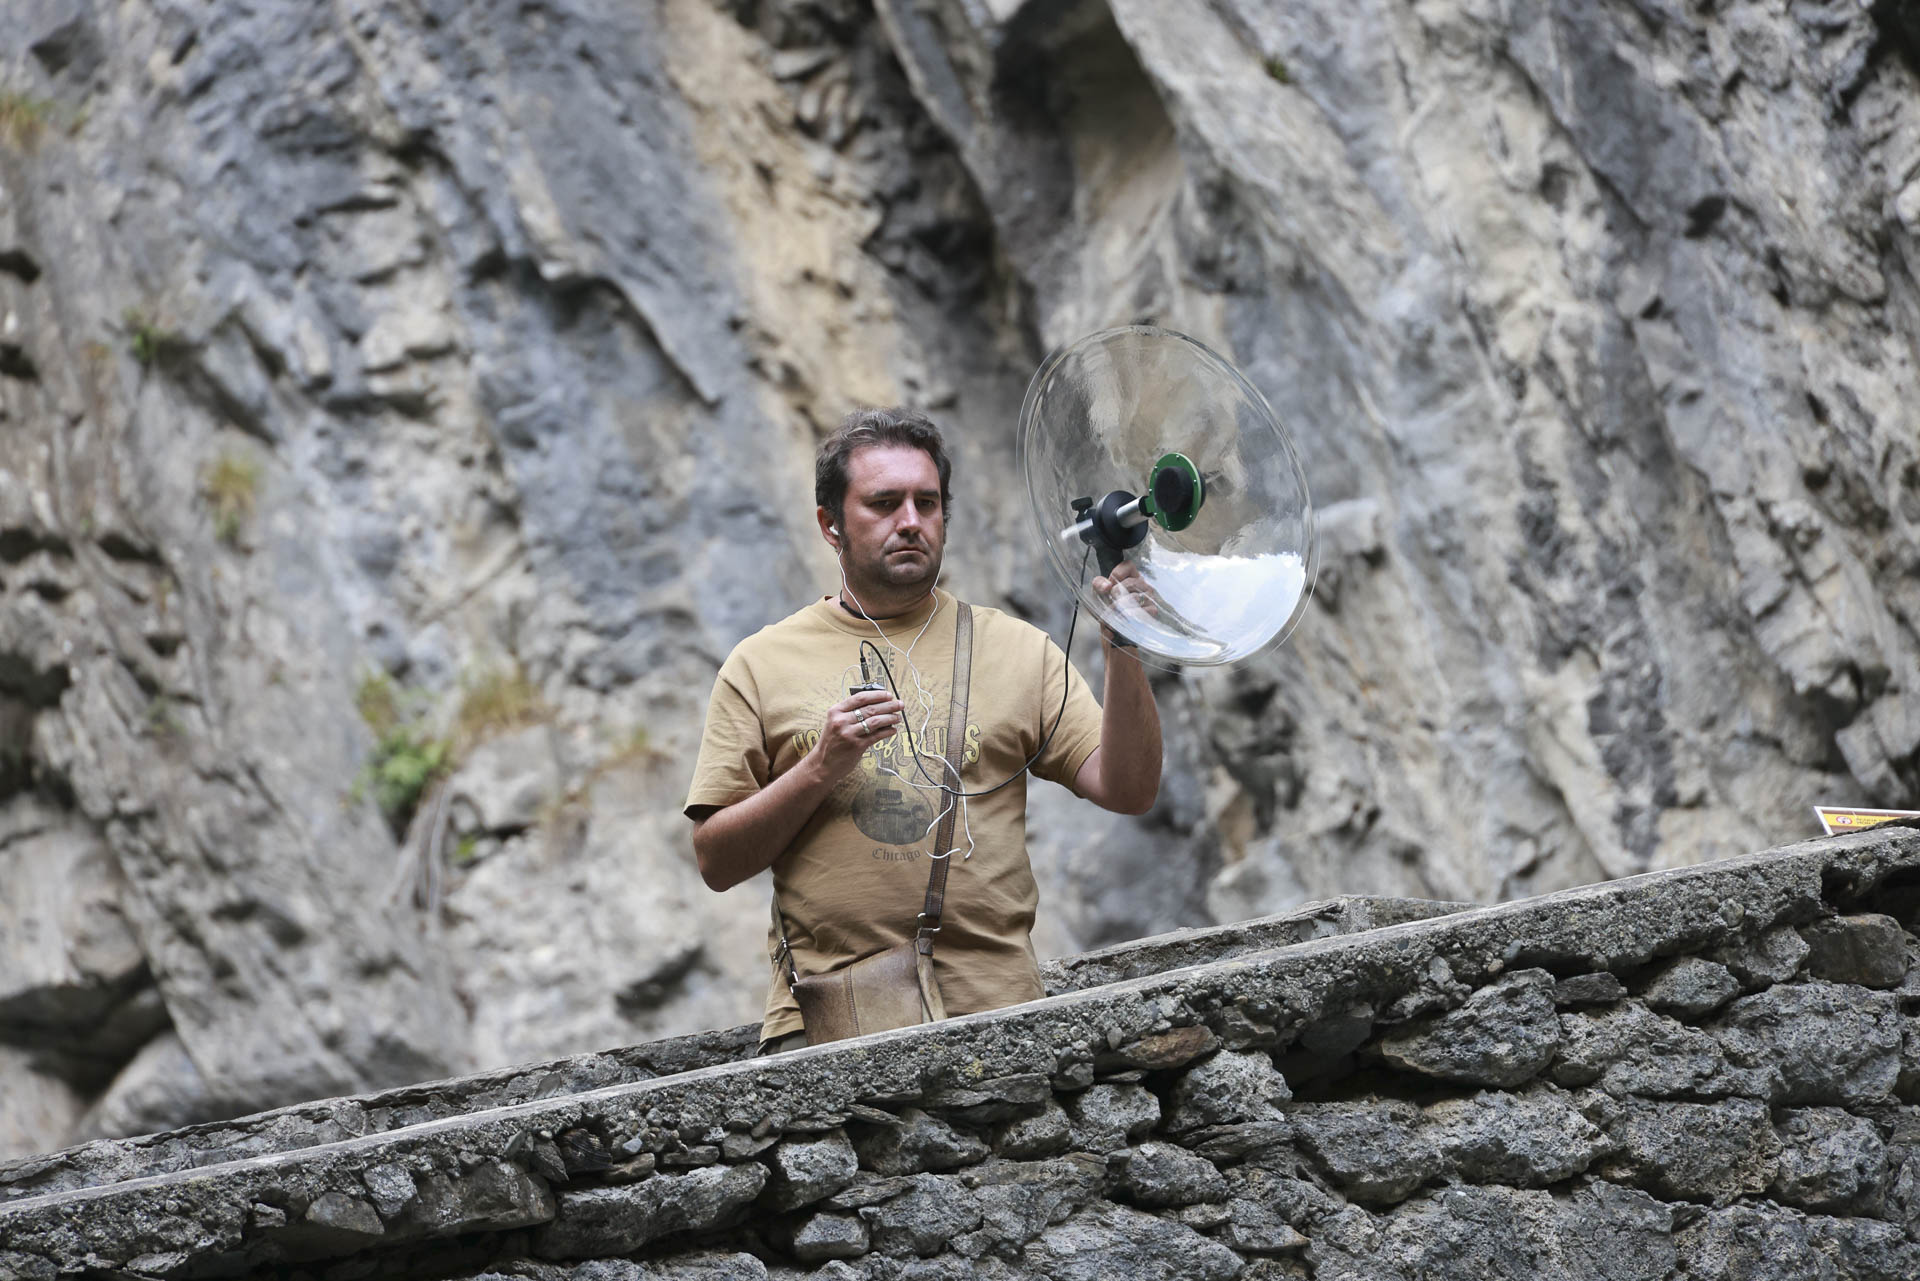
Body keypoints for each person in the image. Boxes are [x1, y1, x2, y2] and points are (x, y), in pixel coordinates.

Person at [683, 407, 1162, 1053]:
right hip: (833, 1024)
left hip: (1000, 1016)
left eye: (927, 503)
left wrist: (1123, 647)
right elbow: (716, 861)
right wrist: (821, 766)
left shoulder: (1018, 649)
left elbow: (1128, 789)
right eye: (884, 503)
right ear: (830, 524)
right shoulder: (760, 664)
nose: (910, 521)